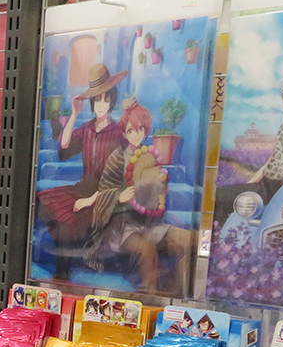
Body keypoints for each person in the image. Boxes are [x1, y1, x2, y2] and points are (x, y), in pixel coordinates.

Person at [76, 101, 194, 293]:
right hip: (121, 227)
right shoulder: (116, 157)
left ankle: (177, 290)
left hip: (150, 222)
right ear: (124, 133)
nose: (136, 134)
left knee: (190, 242)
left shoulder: (149, 156)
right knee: (147, 251)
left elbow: (156, 192)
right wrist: (118, 196)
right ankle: (150, 296)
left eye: (140, 129)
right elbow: (104, 190)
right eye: (131, 130)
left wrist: (160, 188)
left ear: (146, 131)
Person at [35, 63, 128, 280]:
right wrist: (75, 114)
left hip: (103, 195)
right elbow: (65, 145)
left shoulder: (118, 132)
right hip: (82, 188)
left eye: (106, 99)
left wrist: (92, 199)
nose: (101, 105)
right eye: (97, 100)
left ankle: (63, 272)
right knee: (42, 204)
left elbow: (118, 179)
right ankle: (64, 264)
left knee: (69, 226)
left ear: (112, 101)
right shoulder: (86, 128)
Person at [216, 69, 283, 223]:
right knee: (224, 198)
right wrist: (254, 180)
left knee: (219, 196)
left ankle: (220, 240)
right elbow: (276, 156)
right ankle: (222, 238)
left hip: (274, 188)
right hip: (267, 183)